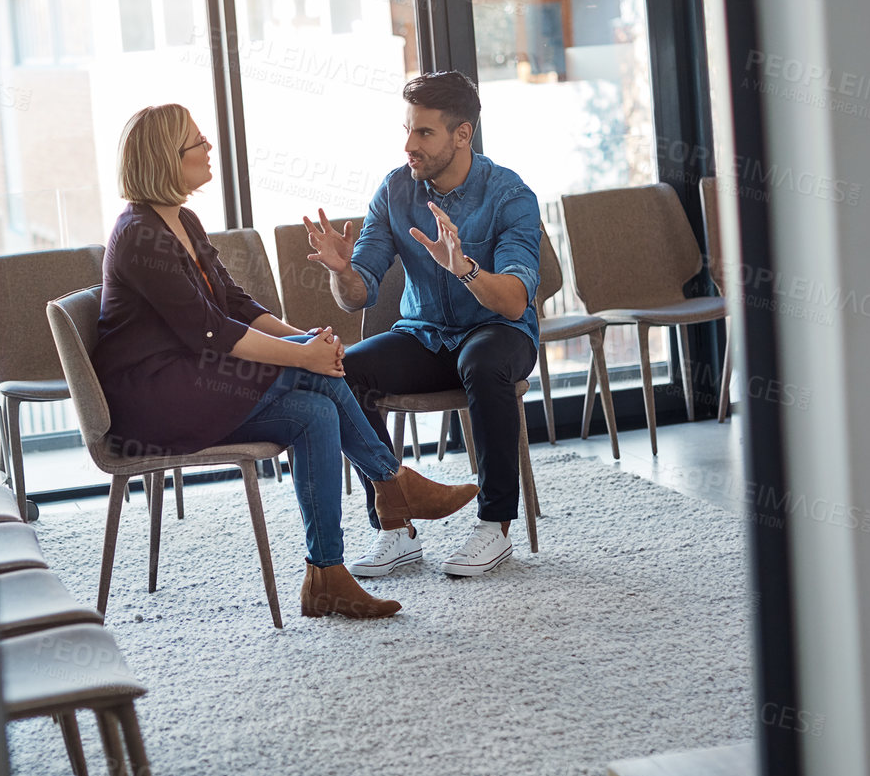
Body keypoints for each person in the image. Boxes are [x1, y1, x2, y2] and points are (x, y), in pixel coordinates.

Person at [92, 104, 479, 619]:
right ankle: (391, 484)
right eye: (197, 143)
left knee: (315, 414)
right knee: (306, 371)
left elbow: (237, 306)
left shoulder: (181, 218)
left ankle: (327, 576)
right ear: (166, 159)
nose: (209, 147)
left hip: (198, 384)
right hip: (155, 400)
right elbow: (212, 333)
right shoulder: (138, 235)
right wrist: (306, 355)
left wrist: (304, 339)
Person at [304, 70, 542, 578]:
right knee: (344, 369)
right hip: (426, 336)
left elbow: (516, 302)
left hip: (498, 333)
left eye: (424, 133)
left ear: (462, 135)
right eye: (407, 130)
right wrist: (343, 271)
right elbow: (358, 295)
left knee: (482, 361)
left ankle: (495, 525)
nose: (409, 144)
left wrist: (466, 269)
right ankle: (395, 527)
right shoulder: (395, 190)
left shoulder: (510, 194)